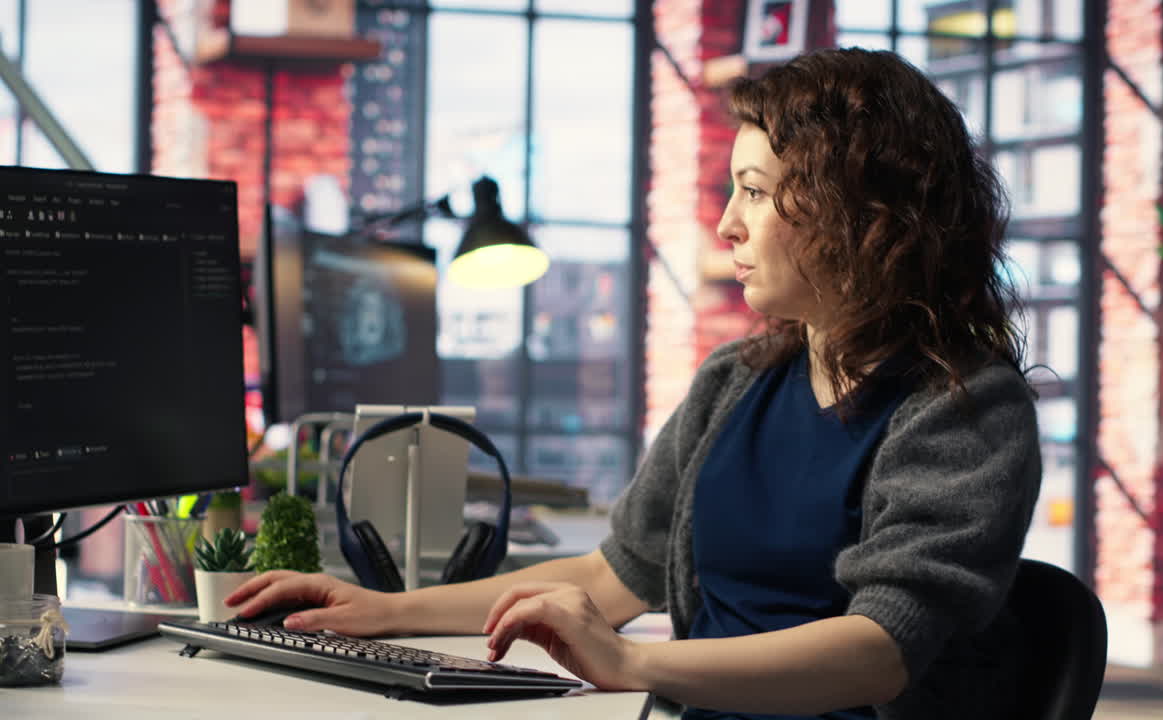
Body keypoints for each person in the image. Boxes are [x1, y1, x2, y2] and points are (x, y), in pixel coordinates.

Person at [227, 46, 1042, 720]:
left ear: (863, 213)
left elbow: (879, 654)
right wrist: (377, 611)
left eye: (754, 192)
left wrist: (634, 662)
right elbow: (611, 576)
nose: (727, 223)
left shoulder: (963, 410)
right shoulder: (734, 383)